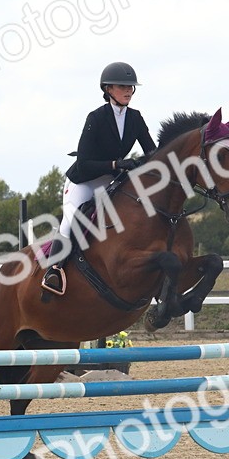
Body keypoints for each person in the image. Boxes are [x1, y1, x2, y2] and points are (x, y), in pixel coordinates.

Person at [41, 61, 157, 295]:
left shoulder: (135, 118)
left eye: (130, 87)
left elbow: (151, 152)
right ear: (108, 89)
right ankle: (53, 271)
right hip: (83, 181)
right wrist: (116, 164)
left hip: (109, 182)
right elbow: (83, 162)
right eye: (122, 86)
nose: (128, 91)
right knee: (71, 222)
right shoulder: (96, 117)